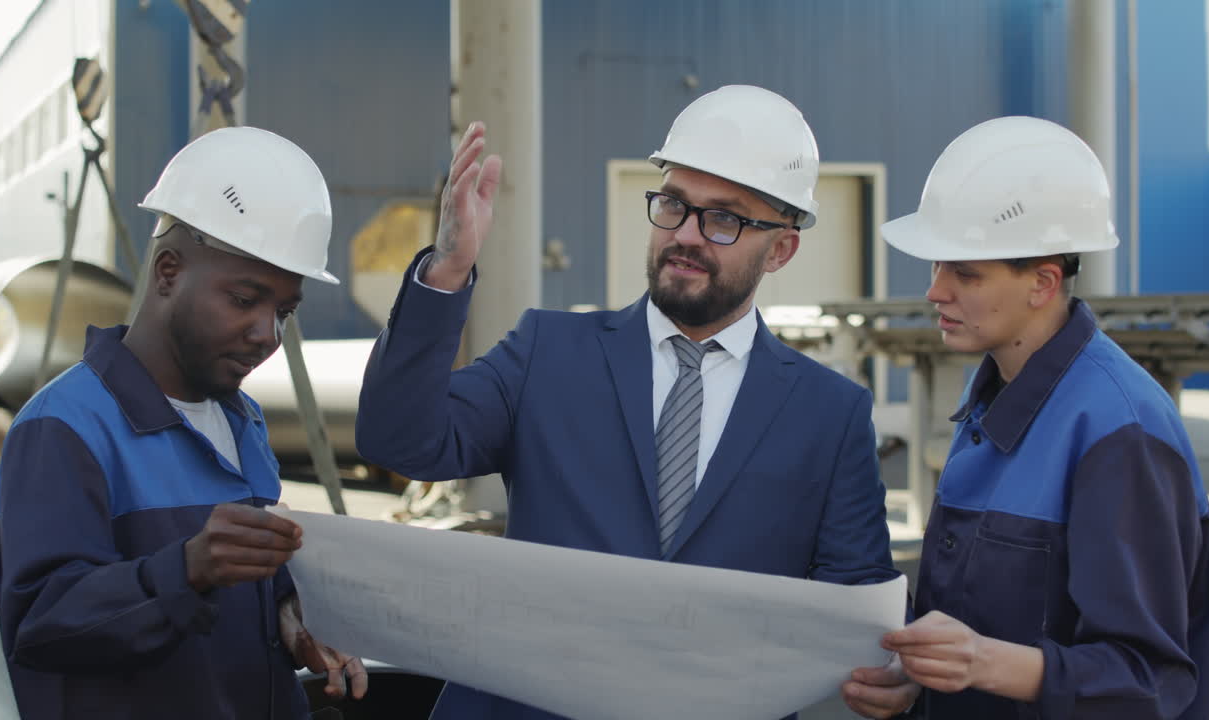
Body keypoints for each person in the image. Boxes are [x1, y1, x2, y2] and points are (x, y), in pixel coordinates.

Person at [356, 84, 902, 719]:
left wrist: (893, 668)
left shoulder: (828, 413)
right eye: (674, 204)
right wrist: (447, 272)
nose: (688, 235)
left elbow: (858, 605)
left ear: (780, 248)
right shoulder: (547, 352)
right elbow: (398, 441)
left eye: (724, 218)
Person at [844, 116, 1209, 719]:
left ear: (1044, 282)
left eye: (965, 272)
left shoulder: (1119, 434)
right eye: (937, 266)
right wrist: (919, 677)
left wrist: (982, 663)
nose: (935, 292)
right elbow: (977, 625)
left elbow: (1149, 682)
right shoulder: (994, 396)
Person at [0, 126, 367, 720]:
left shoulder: (244, 421)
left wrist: (291, 617)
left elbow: (242, 582)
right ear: (167, 271)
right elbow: (41, 627)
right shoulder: (65, 428)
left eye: (284, 311)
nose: (267, 333)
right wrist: (186, 570)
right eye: (245, 300)